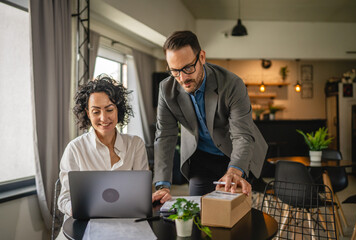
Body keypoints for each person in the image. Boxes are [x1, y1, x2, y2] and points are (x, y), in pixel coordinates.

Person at [152, 31, 268, 204]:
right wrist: (162, 185)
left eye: (188, 68)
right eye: (175, 71)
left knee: (236, 215)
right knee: (198, 211)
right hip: (200, 157)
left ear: (202, 57)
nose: (182, 78)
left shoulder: (231, 84)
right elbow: (165, 136)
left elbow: (242, 134)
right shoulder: (166, 89)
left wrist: (235, 171)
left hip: (234, 154)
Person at [58, 75, 149, 218]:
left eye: (109, 110)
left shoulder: (135, 144)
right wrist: (78, 210)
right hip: (86, 222)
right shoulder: (75, 149)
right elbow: (64, 199)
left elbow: (141, 193)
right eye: (96, 112)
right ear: (88, 113)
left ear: (118, 110)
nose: (103, 118)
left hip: (124, 219)